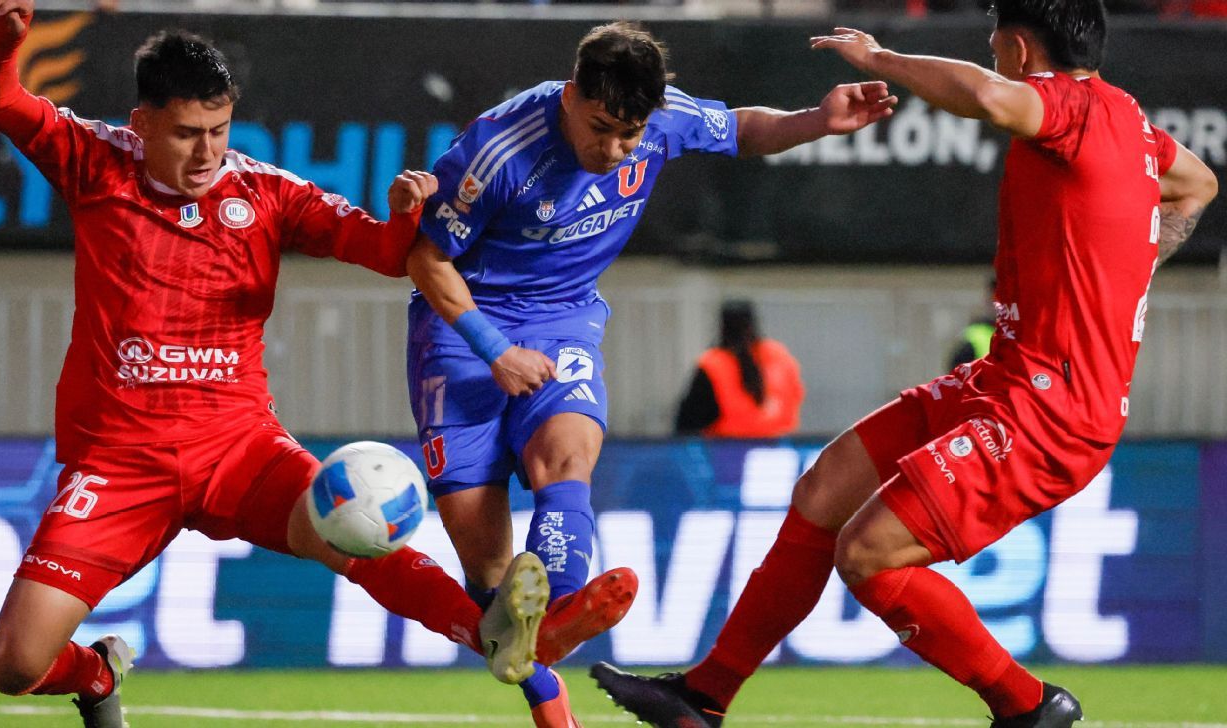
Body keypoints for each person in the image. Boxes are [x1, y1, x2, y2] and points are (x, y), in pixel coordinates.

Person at [591, 2, 1218, 726]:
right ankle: (703, 696)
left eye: (994, 44)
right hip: (1003, 380)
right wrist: (1127, 267)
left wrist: (881, 58)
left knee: (867, 553)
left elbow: (986, 96)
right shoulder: (1131, 126)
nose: (991, 56)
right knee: (825, 490)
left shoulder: (1069, 106)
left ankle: (1029, 708)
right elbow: (1197, 183)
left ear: (1017, 49)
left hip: (1050, 413)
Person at [0, 3, 554, 726]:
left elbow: (378, 252)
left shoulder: (266, 193)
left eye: (219, 130)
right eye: (186, 133)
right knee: (16, 665)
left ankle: (484, 629)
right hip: (119, 465)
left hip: (238, 449)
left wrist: (404, 214)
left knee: (352, 525)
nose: (207, 151)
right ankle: (97, 673)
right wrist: (7, 39)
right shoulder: (93, 161)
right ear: (142, 123)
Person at [405, 20, 896, 727]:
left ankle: (562, 610)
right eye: (600, 127)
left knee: (565, 457)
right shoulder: (498, 149)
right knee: (486, 578)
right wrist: (492, 348)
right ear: (572, 95)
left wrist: (818, 120)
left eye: (629, 135)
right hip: (462, 329)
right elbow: (426, 258)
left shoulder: (662, 118)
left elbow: (743, 129)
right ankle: (542, 665)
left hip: (564, 318)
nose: (613, 150)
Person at [675, 300, 805, 438]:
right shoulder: (780, 356)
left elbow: (688, 421)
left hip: (729, 450)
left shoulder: (713, 363)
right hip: (782, 450)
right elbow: (796, 396)